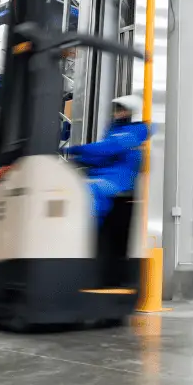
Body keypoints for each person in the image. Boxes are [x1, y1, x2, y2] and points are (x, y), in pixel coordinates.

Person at [65, 94, 147, 287]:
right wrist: (81, 158)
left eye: (123, 109)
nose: (119, 113)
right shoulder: (113, 131)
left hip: (119, 192)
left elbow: (108, 149)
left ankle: (106, 280)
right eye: (118, 109)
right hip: (108, 189)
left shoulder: (133, 132)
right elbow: (101, 155)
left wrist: (78, 150)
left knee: (111, 243)